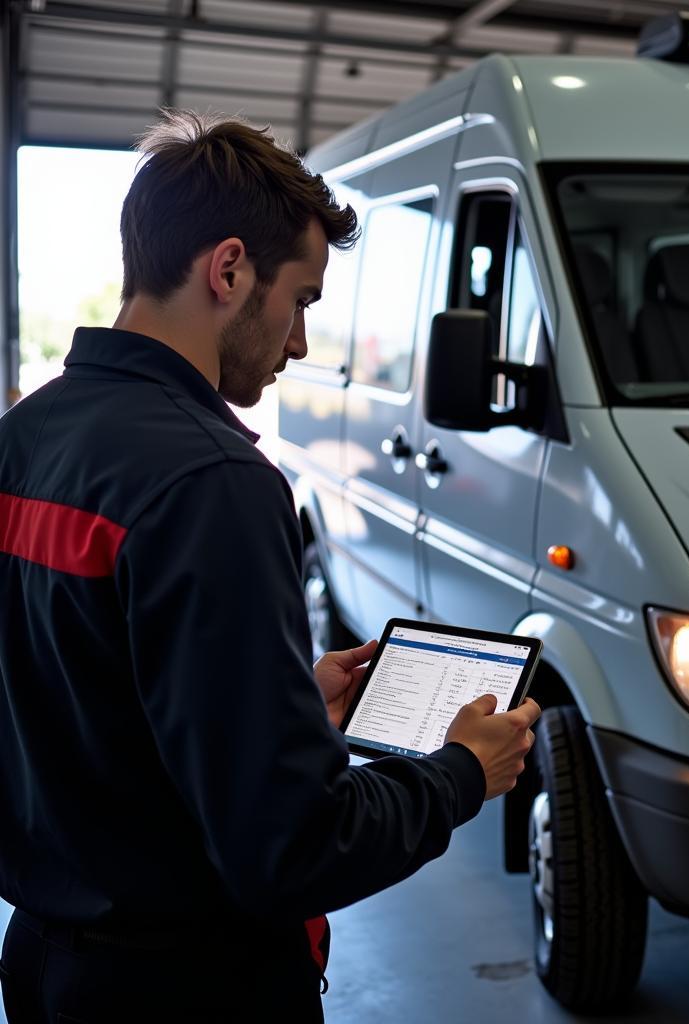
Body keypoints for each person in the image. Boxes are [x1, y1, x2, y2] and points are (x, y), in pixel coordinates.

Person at [0, 110, 540, 1024]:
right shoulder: (213, 482)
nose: (296, 343)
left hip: (45, 967)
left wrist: (276, 702)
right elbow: (294, 848)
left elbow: (85, 699)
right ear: (229, 270)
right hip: (190, 989)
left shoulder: (24, 439)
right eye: (302, 302)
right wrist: (458, 773)